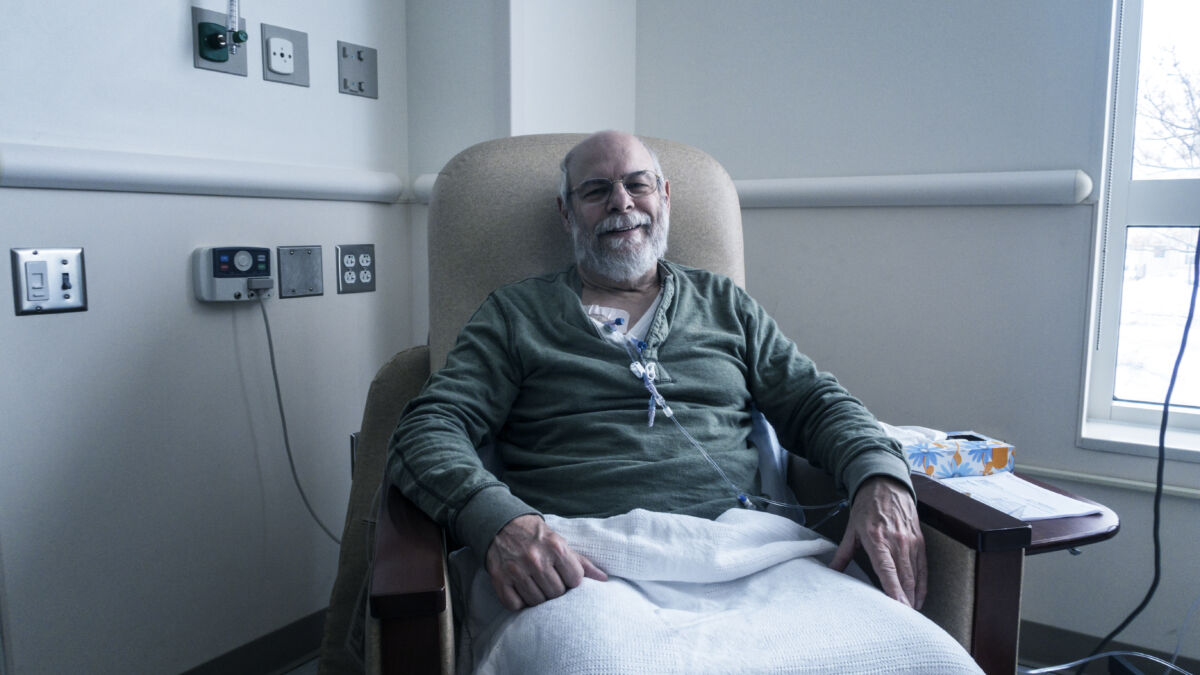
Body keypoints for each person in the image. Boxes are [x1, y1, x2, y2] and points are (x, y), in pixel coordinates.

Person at [387, 130, 925, 617]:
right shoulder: (515, 315)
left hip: (744, 554)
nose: (622, 202)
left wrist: (878, 475)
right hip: (581, 567)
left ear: (664, 197)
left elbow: (816, 402)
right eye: (595, 191)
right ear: (566, 213)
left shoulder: (725, 305)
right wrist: (498, 522)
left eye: (636, 185)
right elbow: (427, 430)